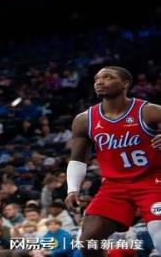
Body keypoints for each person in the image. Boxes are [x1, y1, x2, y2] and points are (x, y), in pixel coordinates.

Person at [64, 66, 161, 256]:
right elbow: (77, 159)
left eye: (108, 77)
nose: (99, 82)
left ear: (125, 83)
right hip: (114, 186)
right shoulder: (84, 120)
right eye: (96, 79)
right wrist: (72, 189)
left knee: (159, 236)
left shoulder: (149, 111)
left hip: (153, 180)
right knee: (88, 242)